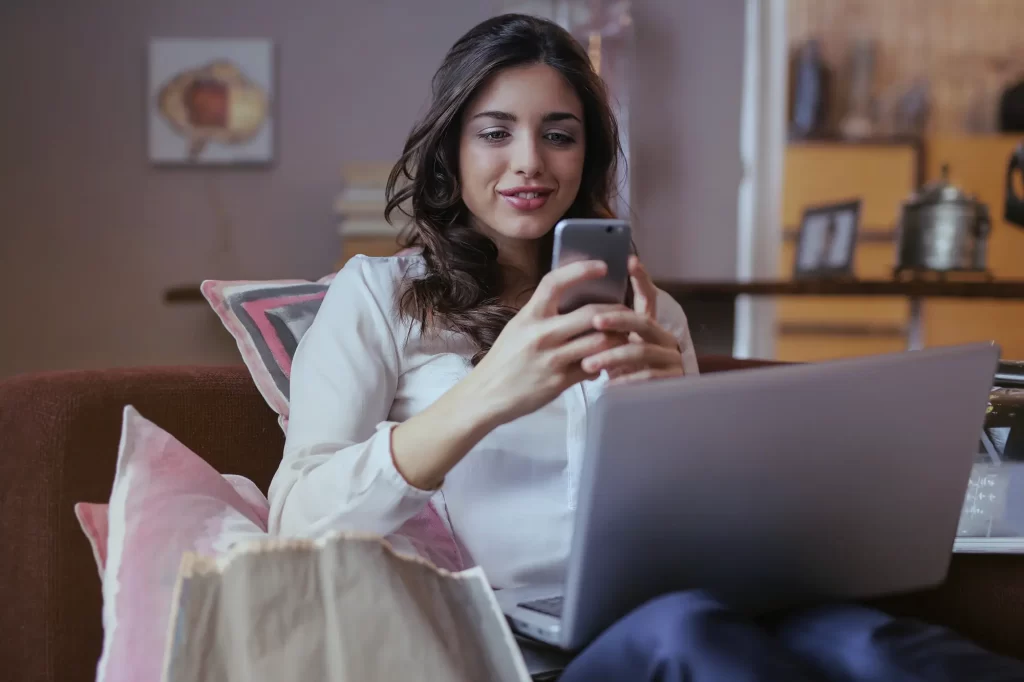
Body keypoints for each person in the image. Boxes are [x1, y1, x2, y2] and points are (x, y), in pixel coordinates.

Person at [267, 14, 1024, 682]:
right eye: (496, 132)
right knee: (684, 635)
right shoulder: (376, 295)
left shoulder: (645, 306)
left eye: (559, 134)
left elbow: (706, 526)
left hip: (677, 602)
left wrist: (681, 421)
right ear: (451, 152)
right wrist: (488, 392)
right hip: (515, 646)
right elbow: (296, 520)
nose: (530, 161)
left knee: (870, 644)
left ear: (586, 155)